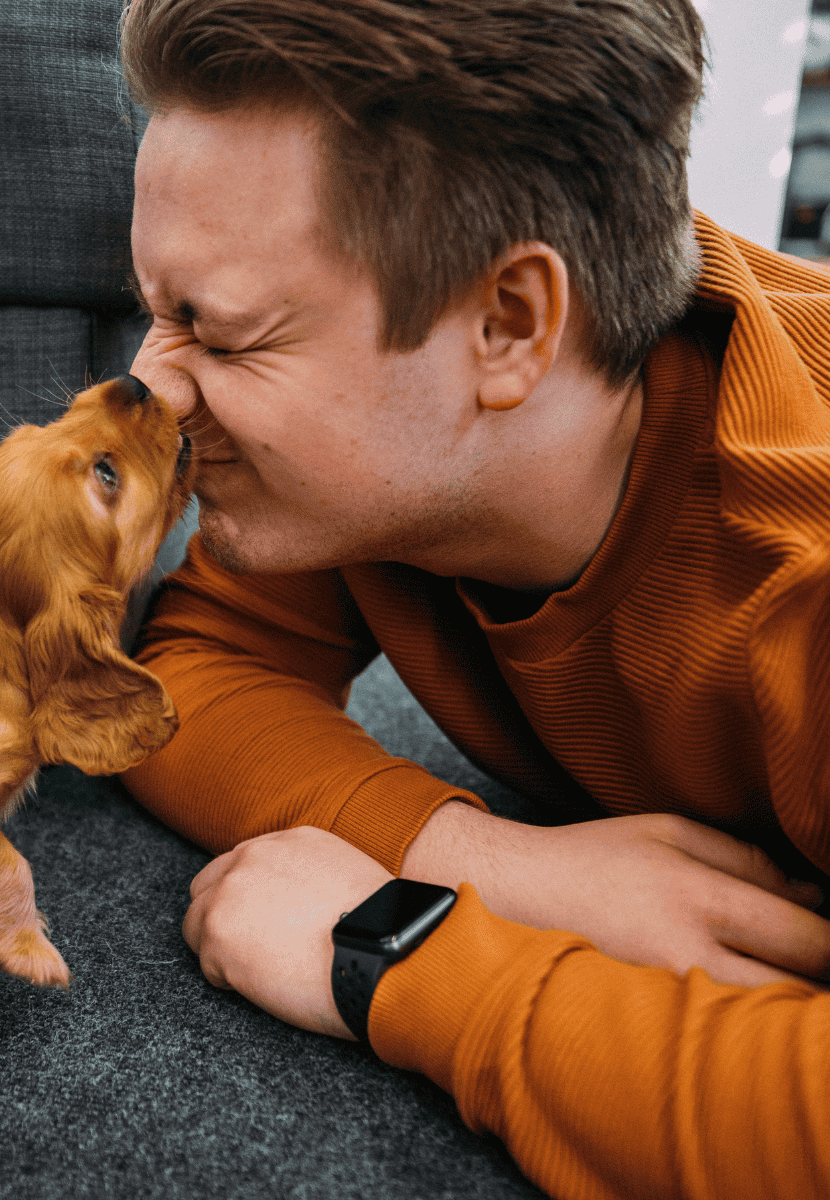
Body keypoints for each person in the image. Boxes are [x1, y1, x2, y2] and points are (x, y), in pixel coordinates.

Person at [118, 1, 830, 1195]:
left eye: (220, 335)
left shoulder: (800, 575)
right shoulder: (390, 463)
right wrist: (499, 866)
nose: (150, 389)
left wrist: (395, 955)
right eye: (155, 308)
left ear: (508, 326)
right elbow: (190, 667)